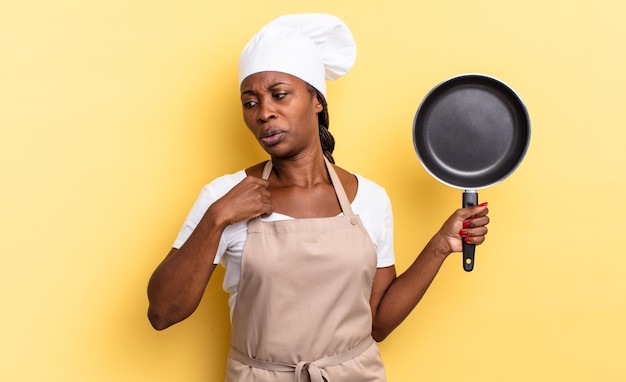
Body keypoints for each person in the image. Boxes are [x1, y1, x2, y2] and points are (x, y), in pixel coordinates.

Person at [147, 13, 490, 381]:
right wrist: (217, 219)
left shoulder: (369, 199)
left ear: (317, 101)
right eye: (250, 103)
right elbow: (163, 312)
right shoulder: (225, 196)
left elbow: (377, 323)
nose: (264, 113)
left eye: (279, 95)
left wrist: (440, 245)